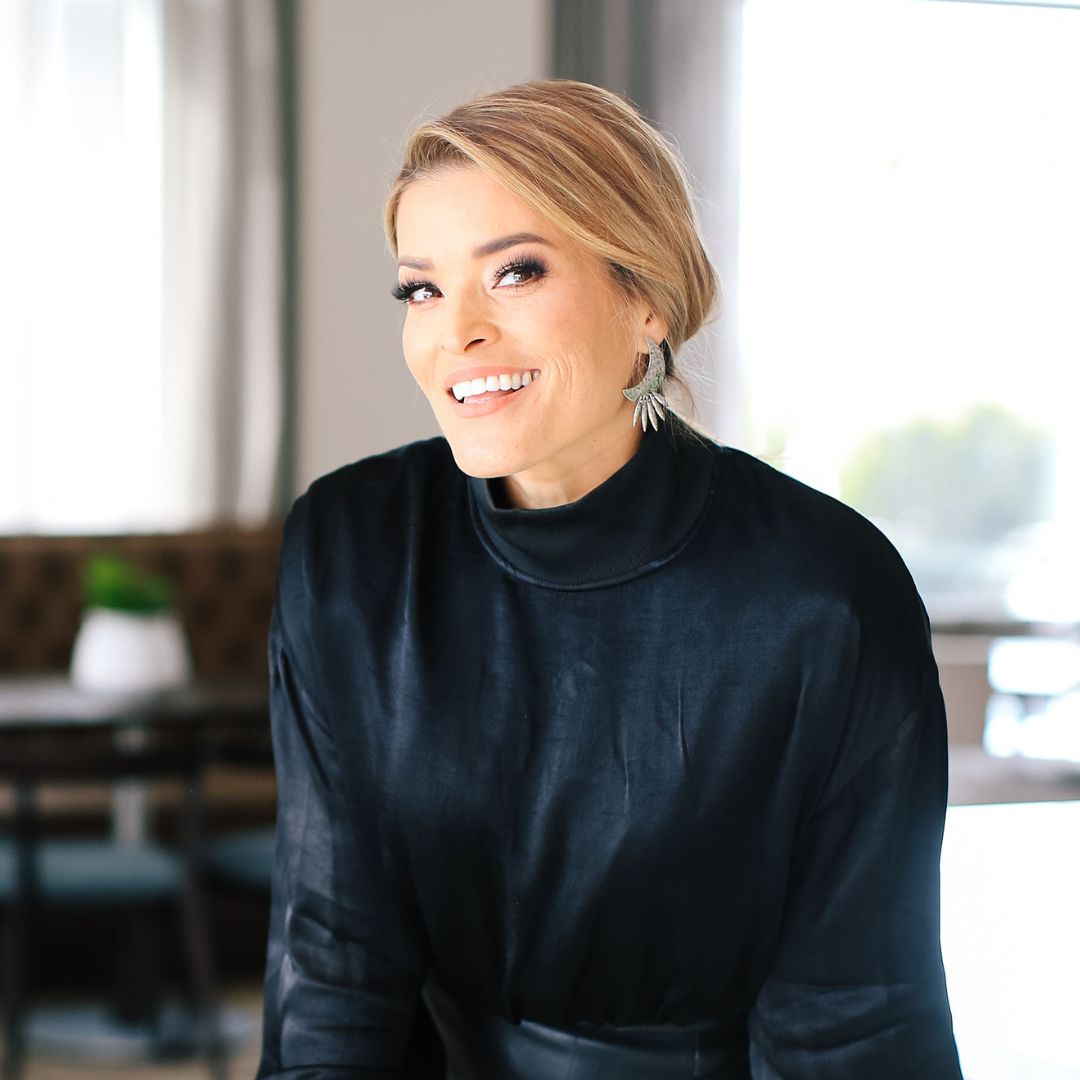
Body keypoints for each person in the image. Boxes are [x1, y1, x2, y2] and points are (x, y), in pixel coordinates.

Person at [256, 79, 962, 1079]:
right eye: (421, 289)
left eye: (516, 272)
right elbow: (332, 963)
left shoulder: (825, 595)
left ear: (645, 300)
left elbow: (853, 1015)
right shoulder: (351, 551)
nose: (455, 332)